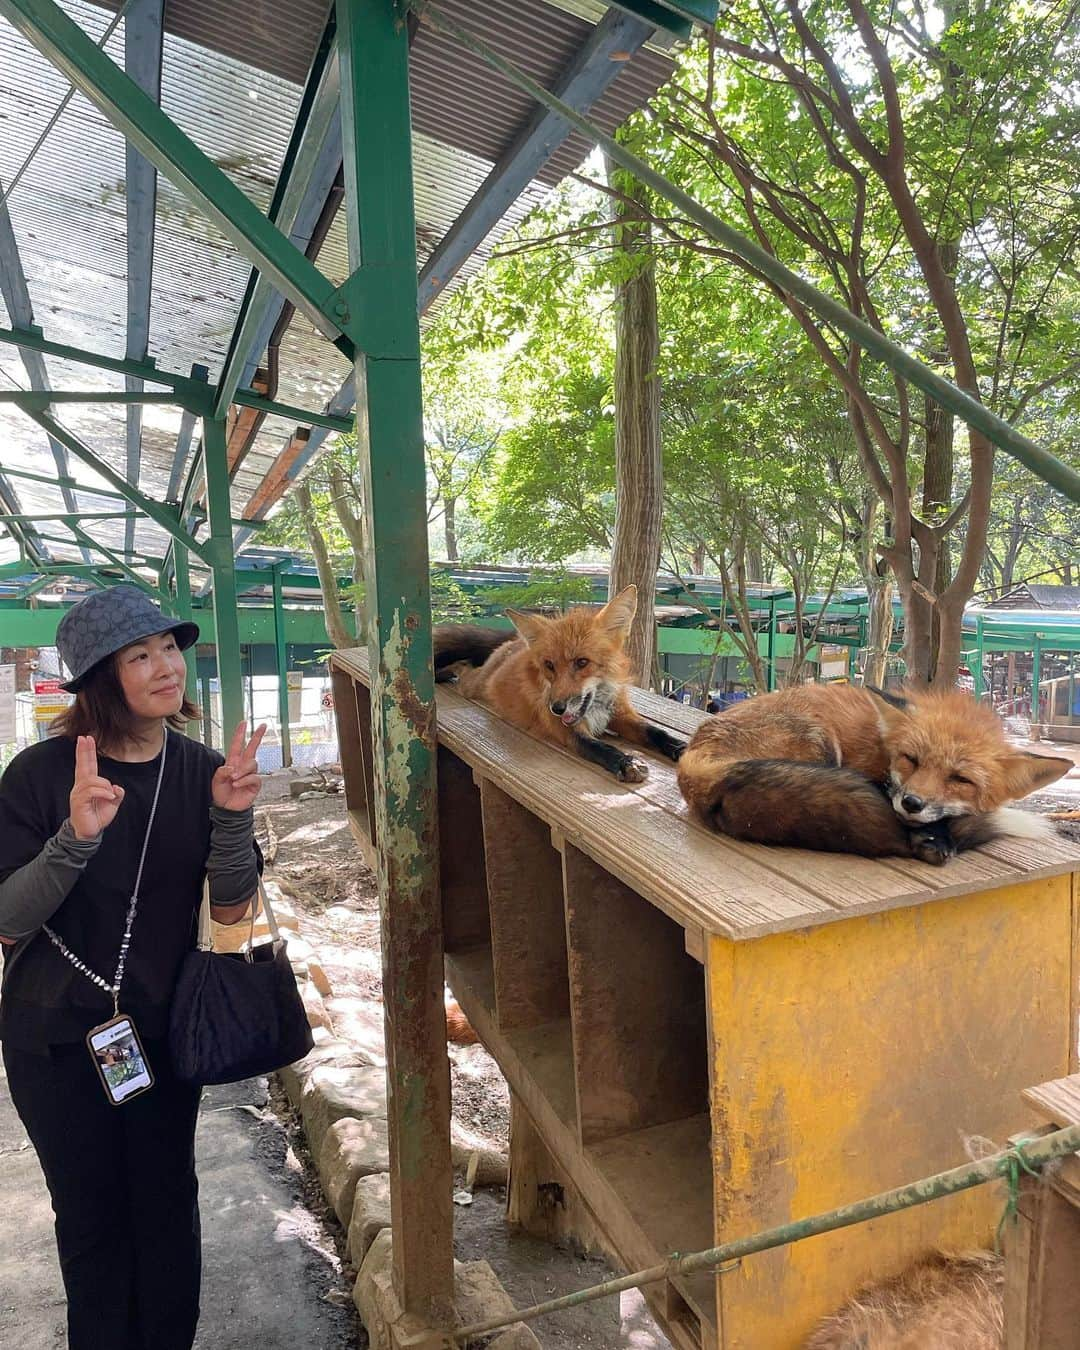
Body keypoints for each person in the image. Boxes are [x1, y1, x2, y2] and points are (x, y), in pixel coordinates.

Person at [0, 585, 266, 1350]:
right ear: (96, 681)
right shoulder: (38, 777)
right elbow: (9, 919)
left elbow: (230, 911)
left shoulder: (204, 769)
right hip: (51, 1040)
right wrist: (74, 836)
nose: (164, 666)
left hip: (160, 1033)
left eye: (168, 648)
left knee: (165, 1209)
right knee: (91, 1220)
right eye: (138, 655)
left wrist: (232, 817)